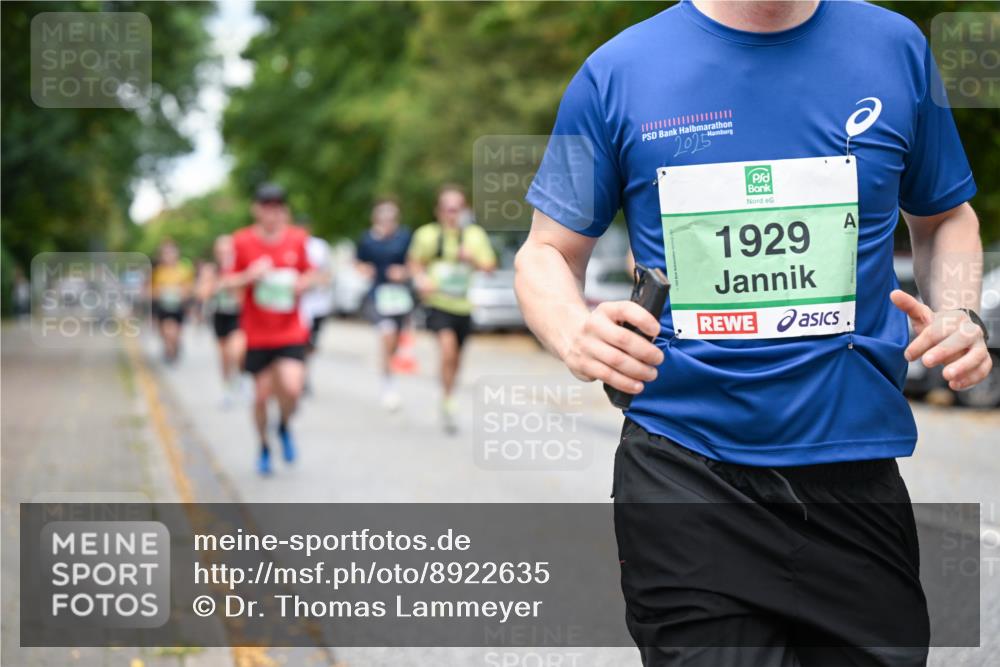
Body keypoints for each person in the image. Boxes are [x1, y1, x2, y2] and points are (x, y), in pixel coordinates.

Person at [514, 1, 990, 665]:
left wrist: (960, 310)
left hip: (853, 472)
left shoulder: (895, 48)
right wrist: (571, 330)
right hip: (686, 471)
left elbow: (945, 217)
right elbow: (545, 251)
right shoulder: (614, 74)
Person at [222, 183, 318, 475]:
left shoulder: (297, 239)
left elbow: (312, 273)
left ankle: (285, 425)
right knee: (262, 396)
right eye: (266, 206)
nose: (272, 213)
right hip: (257, 333)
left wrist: (305, 282)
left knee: (292, 388)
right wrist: (250, 276)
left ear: (283, 210)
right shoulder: (241, 241)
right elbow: (227, 282)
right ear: (256, 209)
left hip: (290, 330)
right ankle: (263, 445)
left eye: (277, 207)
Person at [409, 185, 497, 433]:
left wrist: (473, 259)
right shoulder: (427, 235)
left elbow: (490, 266)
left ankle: (448, 392)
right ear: (439, 211)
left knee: (456, 359)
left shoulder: (475, 236)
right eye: (448, 209)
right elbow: (414, 262)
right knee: (447, 351)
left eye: (457, 209)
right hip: (438, 303)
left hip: (463, 305)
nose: (452, 214)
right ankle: (448, 400)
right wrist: (421, 280)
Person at [356, 197, 413, 411]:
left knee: (395, 343)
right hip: (377, 295)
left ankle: (386, 367)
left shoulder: (405, 237)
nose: (387, 220)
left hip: (399, 297)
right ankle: (388, 385)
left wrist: (404, 272)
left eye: (391, 216)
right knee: (387, 334)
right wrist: (364, 269)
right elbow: (358, 261)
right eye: (383, 216)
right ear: (376, 217)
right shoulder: (368, 240)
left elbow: (413, 262)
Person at [197, 234, 246, 408]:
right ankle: (226, 389)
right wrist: (216, 285)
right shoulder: (211, 270)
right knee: (224, 356)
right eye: (221, 251)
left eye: (228, 251)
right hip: (219, 315)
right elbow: (202, 294)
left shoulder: (241, 268)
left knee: (237, 351)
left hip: (238, 315)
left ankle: (241, 377)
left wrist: (233, 284)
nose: (224, 254)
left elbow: (246, 293)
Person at [297, 217, 335, 394]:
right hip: (299, 305)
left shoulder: (319, 246)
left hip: (318, 303)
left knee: (312, 344)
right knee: (299, 341)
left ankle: (305, 373)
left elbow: (327, 273)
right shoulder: (292, 244)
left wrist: (315, 282)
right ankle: (299, 376)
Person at [150, 239, 194, 364]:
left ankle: (174, 348)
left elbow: (189, 289)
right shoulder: (158, 271)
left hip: (178, 307)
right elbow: (151, 290)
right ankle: (169, 350)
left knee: (175, 333)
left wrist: (179, 292)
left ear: (177, 253)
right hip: (163, 307)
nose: (168, 256)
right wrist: (161, 292)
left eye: (171, 252)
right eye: (165, 253)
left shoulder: (184, 269)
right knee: (166, 332)